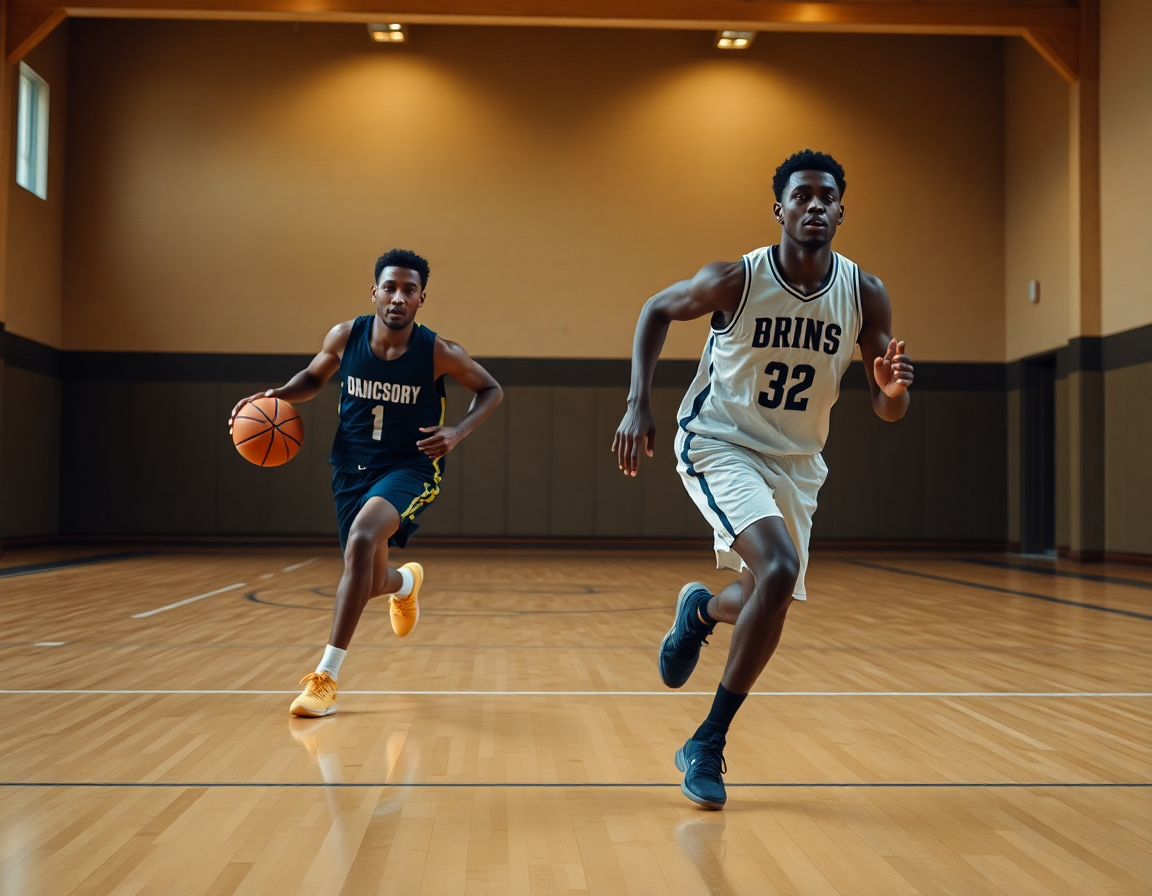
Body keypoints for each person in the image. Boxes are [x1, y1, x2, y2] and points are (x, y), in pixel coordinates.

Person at [613, 150, 913, 809]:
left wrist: (892, 393)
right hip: (720, 442)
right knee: (778, 570)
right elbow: (655, 310)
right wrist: (640, 401)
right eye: (801, 196)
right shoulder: (736, 278)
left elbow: (886, 407)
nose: (814, 206)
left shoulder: (863, 292)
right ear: (779, 209)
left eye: (826, 197)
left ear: (840, 210)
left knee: (764, 593)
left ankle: (700, 611)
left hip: (798, 462)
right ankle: (708, 743)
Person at [230, 248, 503, 718]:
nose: (398, 297)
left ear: (421, 300)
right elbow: (314, 378)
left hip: (410, 467)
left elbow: (491, 389)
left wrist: (456, 432)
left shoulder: (438, 352)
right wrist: (277, 395)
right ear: (374, 291)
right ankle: (404, 582)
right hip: (350, 467)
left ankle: (326, 677)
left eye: (409, 290)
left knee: (361, 539)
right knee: (368, 578)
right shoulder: (345, 335)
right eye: (390, 287)